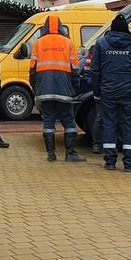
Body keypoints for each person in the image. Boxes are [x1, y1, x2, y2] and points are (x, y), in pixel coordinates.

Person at [90, 15, 131, 171]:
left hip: (108, 93)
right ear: (127, 29)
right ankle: (130, 163)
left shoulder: (101, 43)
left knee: (109, 125)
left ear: (112, 29)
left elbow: (95, 70)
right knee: (130, 126)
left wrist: (97, 90)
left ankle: (110, 162)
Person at [30, 15, 84, 162]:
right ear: (60, 26)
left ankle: (51, 154)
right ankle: (70, 153)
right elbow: (75, 69)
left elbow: (32, 69)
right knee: (69, 122)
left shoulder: (38, 43)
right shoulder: (68, 43)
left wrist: (35, 88)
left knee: (48, 122)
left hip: (45, 90)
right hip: (64, 90)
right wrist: (75, 87)